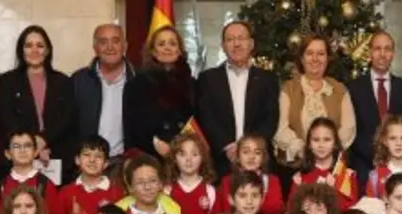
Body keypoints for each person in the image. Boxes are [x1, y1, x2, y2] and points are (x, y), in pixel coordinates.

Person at [195, 21, 280, 175]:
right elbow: (206, 116)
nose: (236, 44)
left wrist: (249, 149)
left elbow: (270, 118)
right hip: (220, 162)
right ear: (223, 45)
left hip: (258, 161)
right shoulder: (208, 79)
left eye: (241, 38)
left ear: (251, 44)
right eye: (230, 39)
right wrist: (227, 147)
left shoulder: (268, 79)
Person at [0, 26, 79, 183]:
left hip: (57, 157)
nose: (34, 50)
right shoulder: (7, 81)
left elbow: (68, 119)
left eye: (40, 46)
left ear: (47, 51)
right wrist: (34, 145)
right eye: (28, 45)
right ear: (21, 50)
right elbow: (6, 119)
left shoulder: (63, 81)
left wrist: (43, 140)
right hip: (20, 158)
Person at [273, 35, 356, 168]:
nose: (315, 59)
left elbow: (348, 128)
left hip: (332, 167)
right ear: (302, 58)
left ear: (328, 58)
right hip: (296, 166)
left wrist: (328, 151)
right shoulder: (289, 89)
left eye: (321, 54)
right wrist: (304, 151)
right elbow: (281, 128)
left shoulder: (340, 90)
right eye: (309, 53)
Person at [346, 31, 402, 182]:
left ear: (393, 54)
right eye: (377, 49)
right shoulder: (353, 88)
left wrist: (393, 156)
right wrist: (375, 156)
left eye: (387, 49)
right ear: (370, 52)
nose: (382, 54)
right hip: (363, 165)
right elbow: (352, 130)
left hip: (399, 165)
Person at [123, 26, 195, 160]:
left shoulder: (193, 84)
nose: (167, 48)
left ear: (179, 51)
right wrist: (155, 143)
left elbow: (197, 122)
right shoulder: (136, 85)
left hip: (185, 158)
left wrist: (180, 146)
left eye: (172, 44)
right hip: (149, 158)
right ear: (153, 51)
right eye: (161, 44)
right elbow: (131, 128)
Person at [73, 24, 136, 165]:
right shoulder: (79, 80)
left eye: (115, 41)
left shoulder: (140, 80)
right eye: (103, 42)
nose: (110, 47)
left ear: (125, 46)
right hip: (88, 163)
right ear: (95, 48)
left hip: (126, 163)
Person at [59, 135, 124, 214]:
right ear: (77, 160)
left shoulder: (117, 192)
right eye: (86, 155)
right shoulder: (66, 192)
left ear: (106, 163)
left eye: (98, 156)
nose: (92, 160)